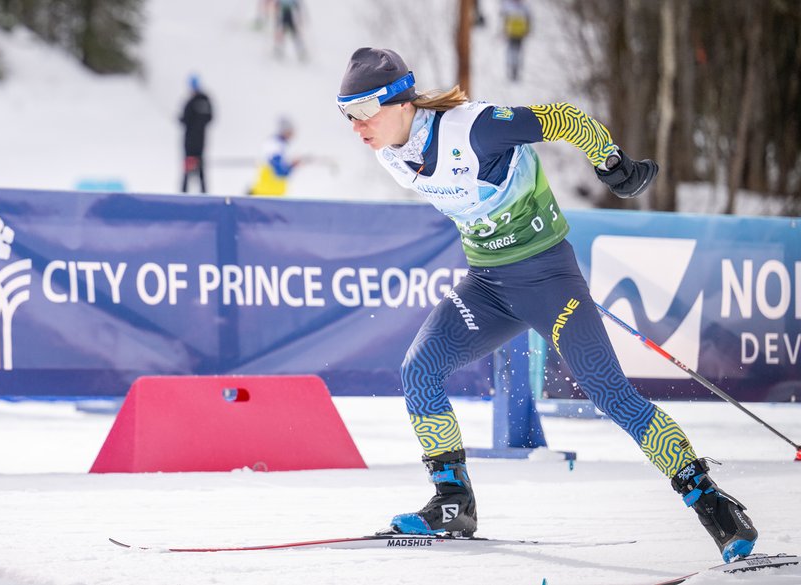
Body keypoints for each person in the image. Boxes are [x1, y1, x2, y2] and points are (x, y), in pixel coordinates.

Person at [336, 47, 758, 562]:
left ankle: (713, 504)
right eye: (346, 114)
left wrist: (611, 162)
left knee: (611, 395)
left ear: (402, 102)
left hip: (549, 283)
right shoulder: (390, 151)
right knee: (419, 369)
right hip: (487, 287)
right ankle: (453, 501)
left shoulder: (473, 128)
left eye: (363, 111)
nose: (356, 126)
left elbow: (563, 118)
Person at [249, 117, 301, 196]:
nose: (293, 134)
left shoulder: (279, 145)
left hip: (272, 194)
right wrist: (293, 165)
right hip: (266, 193)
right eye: (291, 131)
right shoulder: (274, 146)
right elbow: (280, 172)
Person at [179, 74, 213, 193]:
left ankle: (183, 193)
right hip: (201, 140)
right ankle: (204, 193)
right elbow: (210, 118)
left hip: (190, 142)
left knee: (188, 169)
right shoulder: (206, 100)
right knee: (200, 168)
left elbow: (185, 119)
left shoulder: (191, 102)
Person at [500, 0, 531, 81]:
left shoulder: (524, 7)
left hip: (519, 33)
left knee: (517, 52)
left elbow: (528, 20)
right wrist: (505, 30)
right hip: (512, 33)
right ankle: (512, 69)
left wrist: (527, 30)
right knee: (512, 51)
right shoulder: (509, 6)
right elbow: (506, 20)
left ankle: (515, 69)